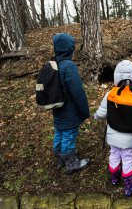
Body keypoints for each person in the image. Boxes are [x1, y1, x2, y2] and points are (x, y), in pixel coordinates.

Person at [94, 60, 132, 197]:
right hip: (131, 135)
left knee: (114, 153)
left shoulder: (110, 94)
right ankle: (129, 184)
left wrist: (96, 116)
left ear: (116, 78)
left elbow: (101, 114)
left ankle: (114, 178)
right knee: (128, 157)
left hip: (112, 134)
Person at [52, 33, 90, 174]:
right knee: (69, 134)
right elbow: (77, 91)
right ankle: (71, 162)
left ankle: (60, 156)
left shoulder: (54, 64)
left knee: (59, 132)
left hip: (57, 109)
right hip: (69, 111)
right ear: (70, 49)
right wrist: (85, 111)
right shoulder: (69, 66)